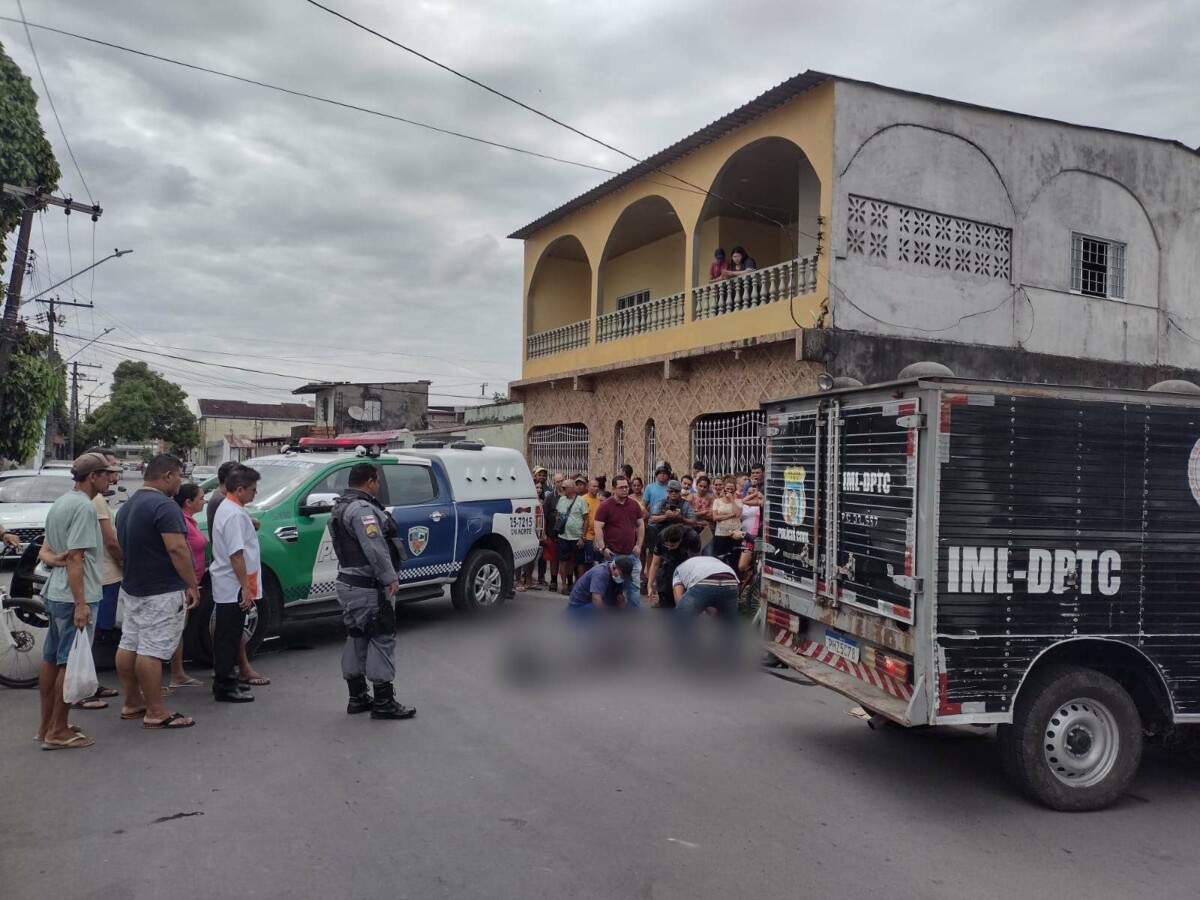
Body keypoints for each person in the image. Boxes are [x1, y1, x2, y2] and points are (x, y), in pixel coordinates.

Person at [35, 452, 118, 749]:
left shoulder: (61, 503)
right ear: (92, 476)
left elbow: (47, 551)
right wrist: (81, 604)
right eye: (106, 474)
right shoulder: (84, 508)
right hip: (74, 597)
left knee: (51, 659)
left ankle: (47, 726)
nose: (111, 478)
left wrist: (57, 559)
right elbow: (76, 559)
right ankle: (57, 731)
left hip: (55, 594)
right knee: (68, 665)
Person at [114, 454, 199, 731]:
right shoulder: (164, 506)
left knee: (129, 644)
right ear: (168, 476)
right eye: (179, 476)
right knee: (151, 651)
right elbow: (176, 549)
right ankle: (156, 710)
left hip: (134, 586)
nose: (180, 481)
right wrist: (192, 584)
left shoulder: (129, 506)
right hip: (161, 590)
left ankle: (132, 702)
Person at [329, 462, 415, 720]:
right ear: (369, 482)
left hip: (349, 583)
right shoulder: (363, 509)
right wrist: (389, 577)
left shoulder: (340, 506)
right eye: (377, 481)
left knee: (357, 637)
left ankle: (357, 696)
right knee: (381, 638)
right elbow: (374, 547)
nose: (378, 486)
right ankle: (383, 702)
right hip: (368, 587)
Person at [206, 460, 271, 687]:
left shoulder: (232, 508)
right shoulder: (233, 513)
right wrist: (244, 587)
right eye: (253, 489)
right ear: (240, 489)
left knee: (232, 633)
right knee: (228, 634)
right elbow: (236, 555)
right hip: (232, 583)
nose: (255, 493)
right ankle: (225, 685)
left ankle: (231, 679)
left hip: (233, 582)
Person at [167, 484, 206, 688]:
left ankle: (178, 672)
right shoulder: (181, 520)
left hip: (192, 581)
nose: (204, 501)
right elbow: (179, 551)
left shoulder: (191, 521)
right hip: (183, 583)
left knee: (180, 627)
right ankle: (175, 674)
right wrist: (189, 583)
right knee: (175, 628)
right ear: (188, 502)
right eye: (200, 498)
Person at [592, 475, 645, 609]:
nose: (624, 490)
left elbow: (640, 525)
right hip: (613, 555)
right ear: (614, 489)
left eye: (626, 487)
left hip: (632, 555)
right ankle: (611, 617)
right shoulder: (605, 505)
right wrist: (603, 548)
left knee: (634, 588)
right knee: (613, 588)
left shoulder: (634, 505)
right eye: (621, 487)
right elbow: (598, 527)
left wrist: (639, 545)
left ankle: (634, 618)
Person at [672, 543, 741, 634]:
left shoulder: (679, 570)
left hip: (705, 583)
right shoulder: (711, 560)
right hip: (731, 582)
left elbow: (679, 598)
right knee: (728, 624)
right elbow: (715, 602)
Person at [646, 524, 701, 609]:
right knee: (665, 585)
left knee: (683, 594)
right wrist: (649, 585)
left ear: (680, 540)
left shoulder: (692, 537)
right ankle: (665, 603)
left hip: (687, 561)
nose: (668, 548)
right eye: (666, 545)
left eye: (672, 546)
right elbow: (655, 563)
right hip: (670, 561)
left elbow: (697, 561)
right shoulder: (661, 538)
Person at [565, 555, 633, 618]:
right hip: (580, 605)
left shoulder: (618, 577)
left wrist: (625, 618)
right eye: (622, 575)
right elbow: (596, 599)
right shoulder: (600, 574)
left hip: (595, 601)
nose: (622, 578)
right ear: (614, 568)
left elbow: (620, 598)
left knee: (615, 612)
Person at [555, 477, 588, 592]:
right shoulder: (561, 500)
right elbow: (558, 516)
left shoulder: (581, 501)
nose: (562, 489)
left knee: (579, 562)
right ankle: (564, 586)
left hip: (576, 537)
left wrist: (582, 537)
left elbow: (586, 519)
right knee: (563, 561)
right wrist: (557, 529)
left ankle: (580, 586)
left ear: (572, 489)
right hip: (563, 536)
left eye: (564, 487)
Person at [711, 480, 744, 566]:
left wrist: (732, 500)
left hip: (735, 533)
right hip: (721, 534)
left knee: (734, 559)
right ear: (723, 488)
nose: (729, 491)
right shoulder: (717, 501)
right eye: (727, 488)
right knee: (721, 559)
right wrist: (730, 515)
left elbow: (738, 514)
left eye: (731, 489)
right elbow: (715, 517)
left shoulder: (738, 502)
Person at [581, 477, 603, 566]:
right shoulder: (582, 499)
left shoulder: (600, 501)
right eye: (594, 486)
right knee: (588, 563)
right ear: (588, 487)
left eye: (597, 486)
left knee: (599, 561)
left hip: (598, 537)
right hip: (587, 536)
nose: (596, 488)